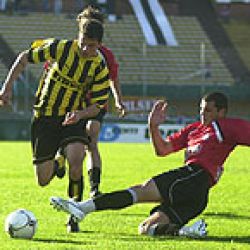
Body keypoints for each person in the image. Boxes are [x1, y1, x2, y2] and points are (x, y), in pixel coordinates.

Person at [50, 92, 250, 236]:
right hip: (192, 191)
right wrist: (153, 126)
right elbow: (162, 150)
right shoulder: (193, 130)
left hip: (194, 179)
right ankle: (186, 232)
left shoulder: (226, 126)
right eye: (200, 110)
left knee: (139, 191)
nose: (202, 114)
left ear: (222, 112)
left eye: (208, 110)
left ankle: (83, 208)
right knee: (146, 229)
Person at [0, 18, 110, 233]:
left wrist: (80, 114)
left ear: (100, 44)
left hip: (73, 117)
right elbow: (24, 58)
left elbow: (97, 105)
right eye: (84, 43)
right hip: (45, 116)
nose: (87, 49)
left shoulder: (100, 67)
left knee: (77, 160)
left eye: (93, 45)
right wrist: (7, 88)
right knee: (43, 179)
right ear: (77, 37)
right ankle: (58, 163)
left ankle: (74, 214)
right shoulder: (61, 48)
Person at [55, 5, 126, 199]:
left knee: (91, 140)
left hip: (96, 102)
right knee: (76, 138)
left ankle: (94, 188)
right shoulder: (70, 49)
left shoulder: (105, 55)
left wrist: (118, 100)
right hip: (72, 102)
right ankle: (62, 154)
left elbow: (113, 78)